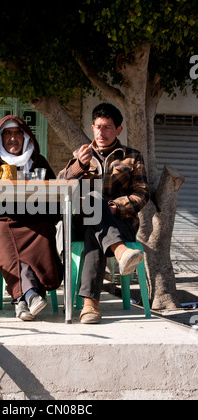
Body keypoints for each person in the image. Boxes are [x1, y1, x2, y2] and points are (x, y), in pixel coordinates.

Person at [58, 103, 150, 324]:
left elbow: (142, 194)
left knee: (95, 225)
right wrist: (79, 165)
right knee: (92, 202)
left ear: (118, 129)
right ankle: (120, 252)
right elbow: (60, 185)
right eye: (98, 127)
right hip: (81, 222)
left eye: (107, 127)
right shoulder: (80, 156)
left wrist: (116, 207)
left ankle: (90, 306)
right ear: (92, 127)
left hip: (121, 223)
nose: (101, 132)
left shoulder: (132, 157)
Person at [0, 115, 62, 321]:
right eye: (8, 134)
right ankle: (29, 295)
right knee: (3, 236)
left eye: (17, 133)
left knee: (45, 231)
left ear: (26, 137)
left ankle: (21, 301)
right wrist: (5, 179)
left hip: (32, 220)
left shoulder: (38, 161)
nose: (13, 138)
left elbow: (53, 189)